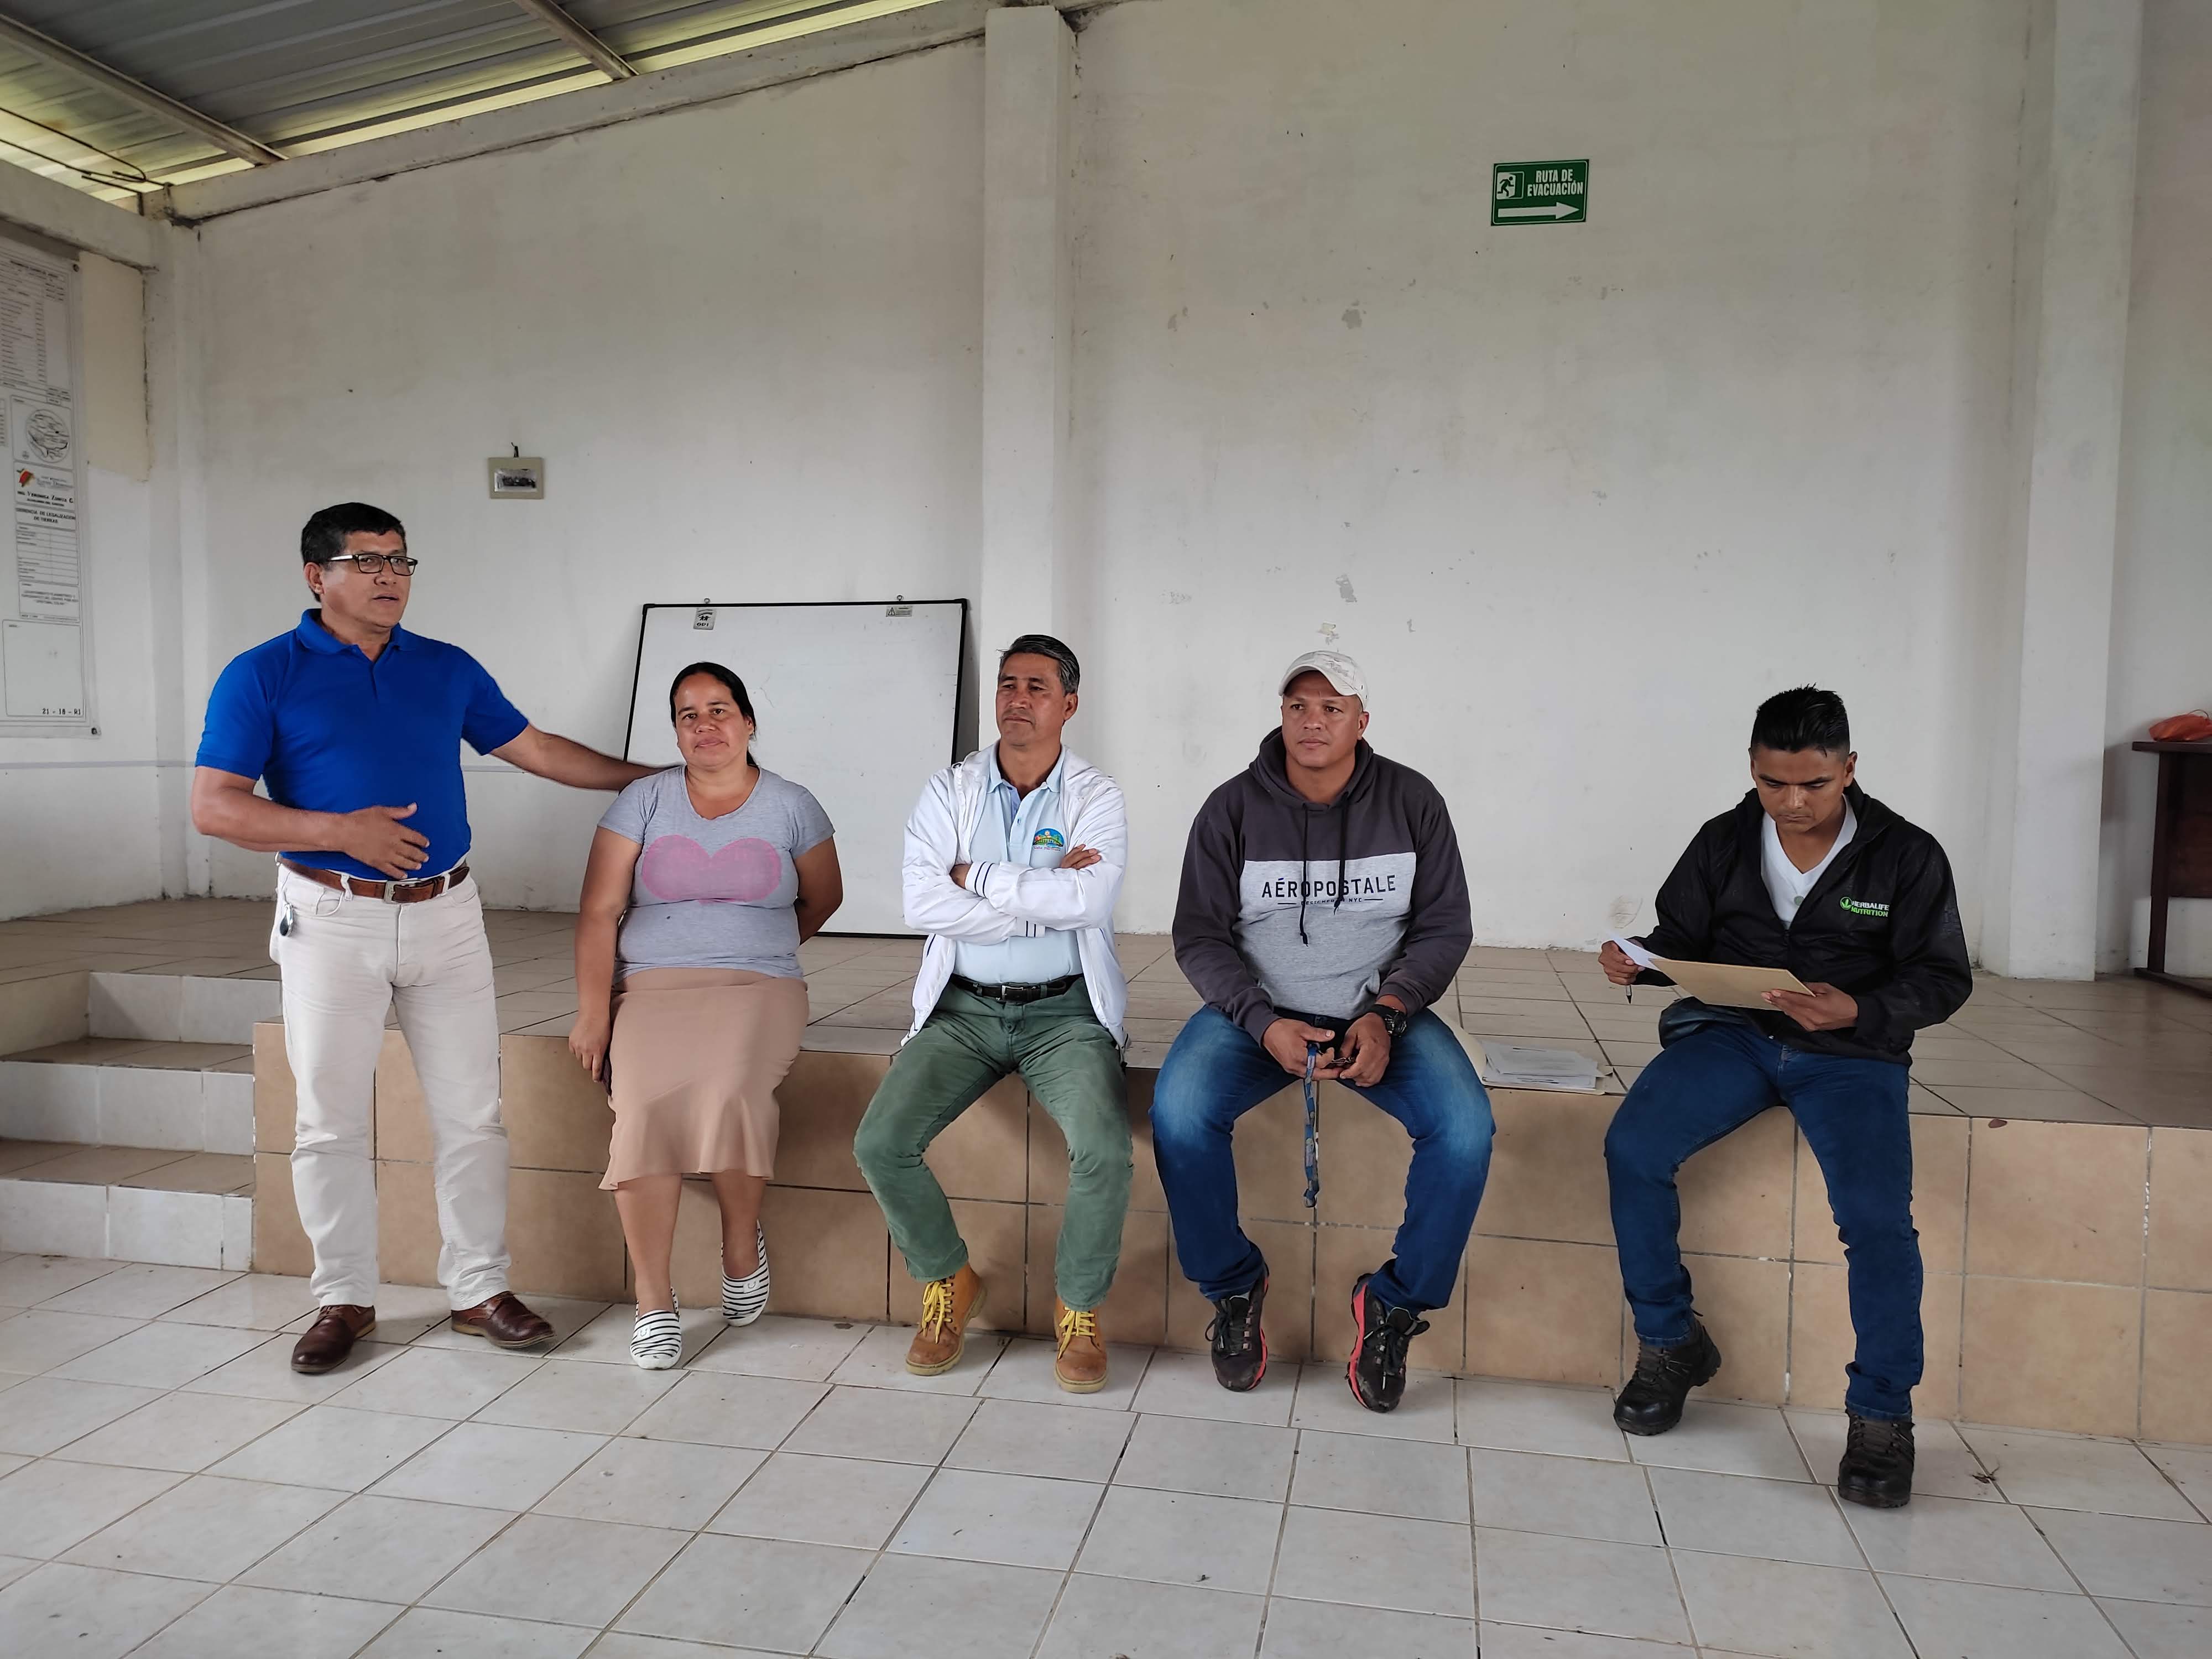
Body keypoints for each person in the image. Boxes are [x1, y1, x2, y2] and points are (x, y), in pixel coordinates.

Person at [191, 503, 657, 1375]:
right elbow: (215, 807)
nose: (389, 577)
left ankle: (479, 1290)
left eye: (401, 561)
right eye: (367, 561)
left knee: (473, 1113)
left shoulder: (445, 667)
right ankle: (344, 1298)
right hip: (330, 916)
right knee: (329, 1120)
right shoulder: (262, 674)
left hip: (448, 914)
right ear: (317, 576)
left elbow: (539, 750)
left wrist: (660, 779)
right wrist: (342, 831)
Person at [1600, 686, 1970, 1508]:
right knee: (1633, 1148)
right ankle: (1669, 1342)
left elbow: (1944, 976)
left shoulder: (1906, 855)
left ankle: (1881, 1413)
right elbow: (1681, 939)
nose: (1793, 802)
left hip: (1851, 1057)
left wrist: (1860, 1010)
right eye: (1774, 783)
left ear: (1850, 769)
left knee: (1875, 1219)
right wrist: (1639, 960)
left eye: (1814, 784)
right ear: (1752, 768)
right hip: (1733, 1036)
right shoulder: (1722, 841)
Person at [1152, 650, 1490, 1413]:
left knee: (1466, 1130)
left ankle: (1394, 1306)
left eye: (1332, 708)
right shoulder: (1231, 808)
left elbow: (1445, 926)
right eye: (1298, 706)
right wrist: (1260, 1020)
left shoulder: (1412, 800)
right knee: (1178, 1113)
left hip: (1383, 1017)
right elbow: (1199, 935)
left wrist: (1389, 1012)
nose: (1312, 721)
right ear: (1281, 715)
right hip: (1258, 1019)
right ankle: (1233, 1287)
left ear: (1361, 721)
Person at [853, 635, 1130, 1392]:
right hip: (964, 1010)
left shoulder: (1095, 796)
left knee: (1105, 1151)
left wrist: (973, 875)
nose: (1018, 698)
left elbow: (1090, 901)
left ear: (1069, 705)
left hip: (1064, 1014)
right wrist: (1040, 904)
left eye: (1037, 687)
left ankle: (1079, 1309)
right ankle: (949, 1278)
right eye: (1008, 684)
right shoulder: (951, 790)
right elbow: (922, 904)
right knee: (880, 1142)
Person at [568, 663, 842, 1368]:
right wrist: (594, 1013)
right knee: (641, 1112)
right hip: (650, 988)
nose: (705, 725)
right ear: (676, 733)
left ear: (748, 722)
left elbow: (823, 898)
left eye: (719, 710)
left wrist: (760, 946)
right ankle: (654, 1302)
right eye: (688, 715)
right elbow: (599, 911)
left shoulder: (791, 804)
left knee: (731, 1091)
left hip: (758, 986)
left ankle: (739, 1245)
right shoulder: (643, 800)